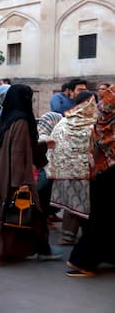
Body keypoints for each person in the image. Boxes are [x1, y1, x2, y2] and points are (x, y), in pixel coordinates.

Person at [0, 84, 62, 261]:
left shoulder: (9, 119)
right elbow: (18, 153)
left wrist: (42, 146)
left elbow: (24, 147)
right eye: (30, 99)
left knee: (7, 214)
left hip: (3, 175)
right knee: (28, 213)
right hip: (15, 178)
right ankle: (35, 249)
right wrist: (22, 184)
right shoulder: (21, 121)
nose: (32, 102)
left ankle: (4, 248)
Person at [66, 84, 115, 277]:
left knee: (104, 219)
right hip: (108, 176)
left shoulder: (100, 123)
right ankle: (82, 261)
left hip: (98, 175)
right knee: (102, 220)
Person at [46, 92, 98, 245]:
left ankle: (67, 236)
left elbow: (54, 143)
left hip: (62, 173)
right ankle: (79, 239)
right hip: (83, 173)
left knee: (70, 205)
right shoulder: (93, 123)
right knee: (82, 206)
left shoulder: (64, 121)